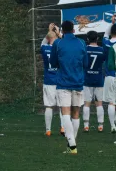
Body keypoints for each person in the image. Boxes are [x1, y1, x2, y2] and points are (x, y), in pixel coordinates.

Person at [50, 20, 88, 154]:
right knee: (76, 113)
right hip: (78, 82)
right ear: (73, 30)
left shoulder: (58, 43)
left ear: (62, 30)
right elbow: (86, 63)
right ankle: (72, 143)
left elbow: (52, 62)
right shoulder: (81, 43)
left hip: (63, 82)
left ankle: (72, 144)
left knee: (65, 112)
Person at [40, 25, 64, 136]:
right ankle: (63, 128)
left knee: (49, 106)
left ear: (49, 38)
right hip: (59, 80)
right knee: (61, 106)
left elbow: (43, 42)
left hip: (49, 81)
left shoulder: (45, 48)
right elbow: (66, 43)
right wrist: (58, 33)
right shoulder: (60, 47)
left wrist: (49, 31)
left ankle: (48, 130)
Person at [82, 31, 106, 133]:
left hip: (87, 79)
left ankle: (86, 125)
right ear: (97, 39)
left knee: (86, 104)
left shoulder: (85, 49)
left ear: (87, 39)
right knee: (99, 103)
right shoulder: (102, 50)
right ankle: (100, 125)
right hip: (98, 79)